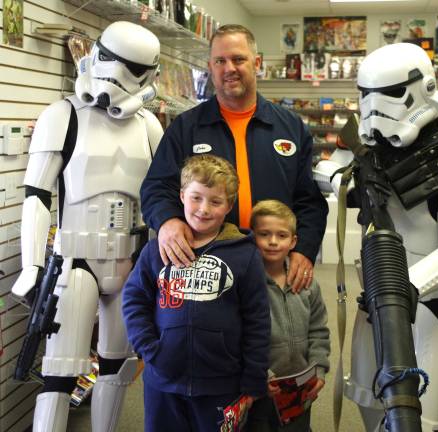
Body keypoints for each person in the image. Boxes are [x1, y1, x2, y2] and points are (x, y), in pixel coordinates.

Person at [314, 42, 438, 431]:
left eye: (392, 94)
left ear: (424, 87)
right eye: (367, 97)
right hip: (371, 296)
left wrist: (401, 289)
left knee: (414, 419)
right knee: (368, 399)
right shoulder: (369, 153)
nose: (376, 108)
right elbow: (327, 171)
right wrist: (347, 178)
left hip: (426, 303)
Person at [10, 21, 163, 432]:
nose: (114, 72)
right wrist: (31, 267)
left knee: (117, 367)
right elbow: (37, 195)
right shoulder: (62, 116)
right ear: (94, 53)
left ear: (150, 74)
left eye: (129, 66)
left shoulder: (149, 126)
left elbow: (160, 198)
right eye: (108, 57)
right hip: (74, 260)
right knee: (61, 370)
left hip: (131, 264)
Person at [140, 24, 328, 293]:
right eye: (220, 61)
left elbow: (309, 200)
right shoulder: (186, 127)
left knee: (273, 335)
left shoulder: (290, 127)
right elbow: (156, 187)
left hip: (272, 266)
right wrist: (168, 221)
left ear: (257, 63)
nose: (229, 68)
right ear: (210, 67)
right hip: (205, 266)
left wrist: (306, 250)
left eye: (239, 59)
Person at [123, 154, 271, 432]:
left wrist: (254, 377)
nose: (204, 209)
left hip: (222, 382)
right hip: (162, 380)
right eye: (196, 198)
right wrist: (150, 350)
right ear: (181, 196)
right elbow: (134, 300)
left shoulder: (245, 255)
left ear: (229, 205)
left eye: (215, 201)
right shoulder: (157, 249)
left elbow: (258, 320)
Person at [245, 199, 330, 432]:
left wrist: (319, 368)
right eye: (264, 234)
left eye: (281, 236)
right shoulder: (247, 284)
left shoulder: (307, 284)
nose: (273, 242)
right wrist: (259, 374)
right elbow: (239, 336)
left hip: (300, 390)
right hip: (261, 388)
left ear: (293, 241)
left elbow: (319, 330)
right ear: (252, 236)